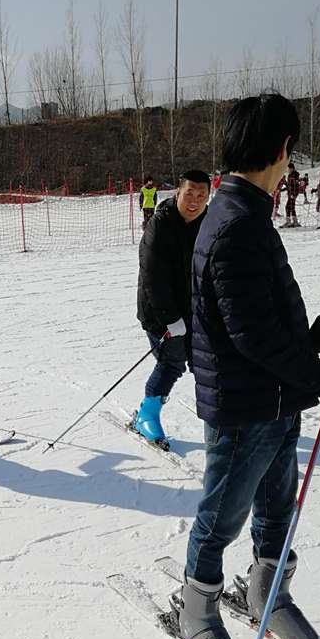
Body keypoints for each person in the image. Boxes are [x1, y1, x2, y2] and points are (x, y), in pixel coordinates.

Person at [175, 94, 320, 639]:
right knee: (222, 515)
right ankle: (197, 611)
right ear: (280, 151)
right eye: (290, 149)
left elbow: (260, 323)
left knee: (278, 507)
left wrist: (312, 340)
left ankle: (267, 594)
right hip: (244, 407)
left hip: (275, 402)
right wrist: (318, 376)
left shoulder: (246, 213)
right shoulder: (234, 224)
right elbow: (249, 337)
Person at [133, 170, 211, 447]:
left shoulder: (208, 223)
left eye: (201, 195)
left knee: (208, 361)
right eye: (189, 193)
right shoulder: (160, 225)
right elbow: (152, 277)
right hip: (160, 313)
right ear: (179, 192)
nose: (194, 200)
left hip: (196, 310)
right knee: (172, 362)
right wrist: (170, 319)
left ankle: (222, 417)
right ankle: (146, 415)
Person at [281, 162, 301, 228]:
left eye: (288, 169)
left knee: (288, 207)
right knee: (291, 207)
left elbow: (296, 186)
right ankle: (292, 222)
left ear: (292, 168)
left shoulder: (295, 175)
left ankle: (291, 222)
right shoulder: (289, 175)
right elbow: (289, 186)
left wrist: (294, 194)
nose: (287, 170)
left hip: (293, 194)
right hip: (290, 194)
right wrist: (284, 185)